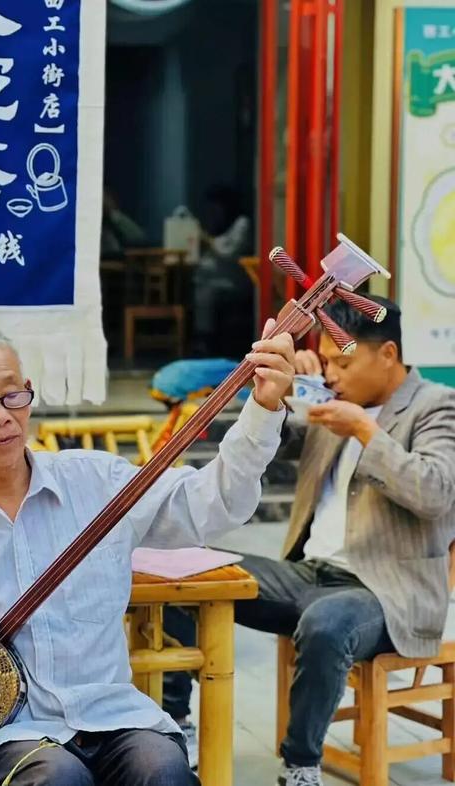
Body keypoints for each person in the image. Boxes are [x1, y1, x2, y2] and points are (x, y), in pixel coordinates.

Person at [0, 325, 295, 786]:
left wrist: (263, 408)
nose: (2, 416)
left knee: (162, 769)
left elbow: (213, 505)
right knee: (56, 777)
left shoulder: (95, 481)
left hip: (108, 714)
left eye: (14, 395)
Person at [163, 296, 455, 786]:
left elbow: (436, 492)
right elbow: (274, 444)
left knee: (327, 621)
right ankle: (177, 723)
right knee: (185, 572)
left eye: (344, 361)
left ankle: (300, 766)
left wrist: (366, 429)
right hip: (307, 573)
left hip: (389, 591)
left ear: (387, 354)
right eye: (328, 362)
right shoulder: (333, 398)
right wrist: (282, 393)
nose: (334, 374)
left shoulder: (436, 405)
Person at [192, 184, 254, 358]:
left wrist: (206, 239)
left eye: (216, 207)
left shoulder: (242, 223)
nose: (213, 211)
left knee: (205, 294)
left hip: (233, 281)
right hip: (213, 278)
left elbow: (228, 252)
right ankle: (202, 339)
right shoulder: (218, 224)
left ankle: (205, 340)